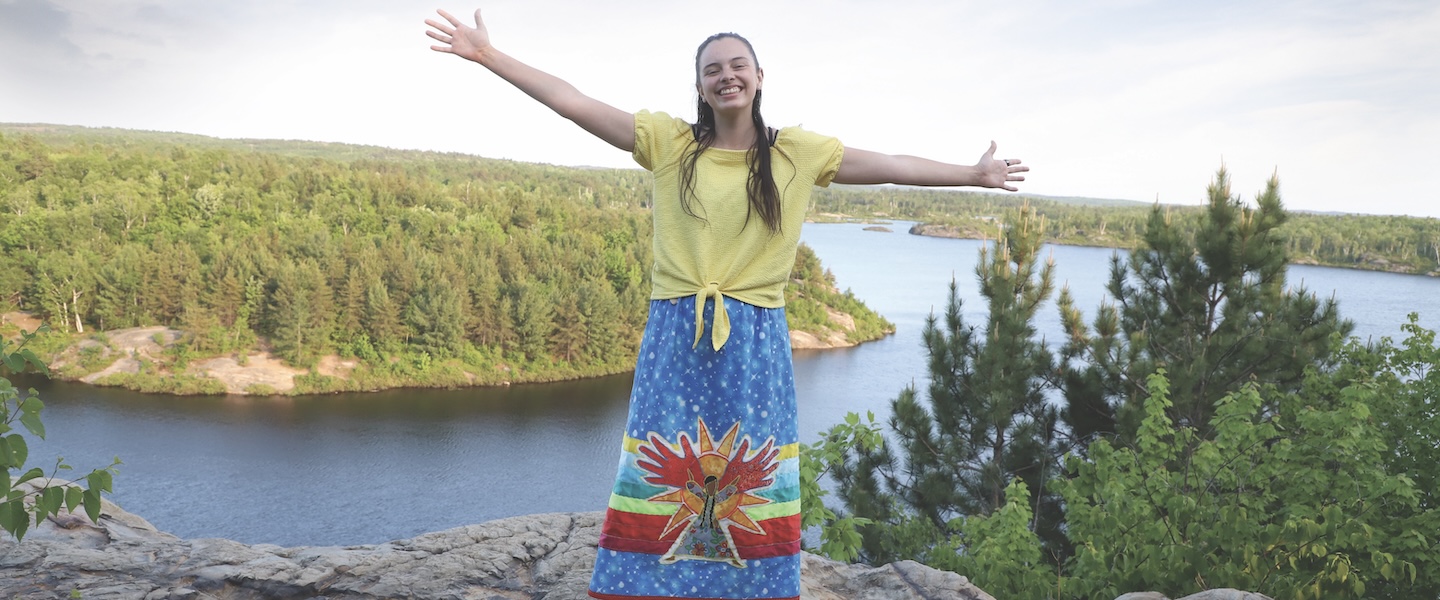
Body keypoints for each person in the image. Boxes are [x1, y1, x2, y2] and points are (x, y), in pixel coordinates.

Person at [425, 9, 1027, 600]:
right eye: (712, 69)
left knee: (754, 456)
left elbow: (892, 166)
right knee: (664, 450)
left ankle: (757, 585)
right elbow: (573, 101)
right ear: (699, 87)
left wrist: (973, 175)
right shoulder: (670, 143)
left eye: (738, 65)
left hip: (756, 332)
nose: (726, 75)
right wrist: (489, 56)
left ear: (760, 77)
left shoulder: (798, 152)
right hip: (676, 328)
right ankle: (646, 583)